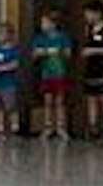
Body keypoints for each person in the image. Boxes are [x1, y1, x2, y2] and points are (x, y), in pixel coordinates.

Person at [31, 10, 72, 140]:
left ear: (53, 24)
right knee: (47, 101)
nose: (42, 25)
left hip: (60, 74)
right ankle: (48, 127)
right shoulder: (39, 38)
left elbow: (68, 53)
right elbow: (34, 54)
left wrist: (59, 51)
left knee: (60, 101)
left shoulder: (63, 37)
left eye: (45, 22)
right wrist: (45, 52)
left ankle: (60, 127)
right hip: (46, 75)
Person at [79, 0, 103, 140]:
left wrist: (94, 51)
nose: (86, 16)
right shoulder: (87, 29)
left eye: (88, 13)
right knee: (91, 98)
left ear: (98, 13)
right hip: (91, 68)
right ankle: (92, 127)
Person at [0, 21, 22, 138]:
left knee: (11, 107)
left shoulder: (14, 49)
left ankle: (15, 128)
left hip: (9, 84)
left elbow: (15, 64)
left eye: (2, 33)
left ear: (9, 34)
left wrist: (1, 68)